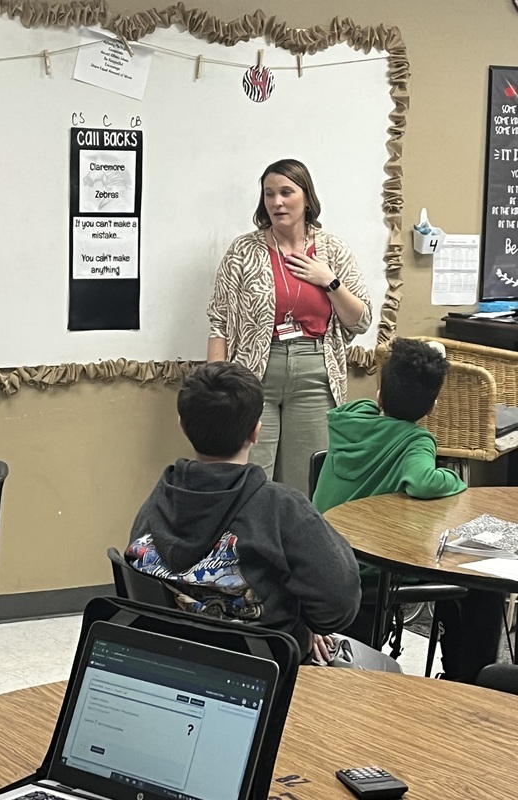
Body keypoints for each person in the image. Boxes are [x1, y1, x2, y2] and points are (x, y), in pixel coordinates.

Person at [125, 361, 361, 663]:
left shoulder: (159, 499)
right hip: (263, 670)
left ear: (182, 426)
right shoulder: (283, 507)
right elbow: (340, 601)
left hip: (169, 662)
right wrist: (309, 625)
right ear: (256, 431)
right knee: (382, 668)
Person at [314, 337, 504, 683]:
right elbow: (422, 481)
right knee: (479, 582)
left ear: (379, 396)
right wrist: (453, 479)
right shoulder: (416, 441)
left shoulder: (349, 419)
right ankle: (467, 682)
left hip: (326, 558)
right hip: (372, 569)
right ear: (432, 407)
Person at [207, 158, 372, 494]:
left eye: (286, 192)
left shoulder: (333, 250)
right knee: (248, 481)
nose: (277, 202)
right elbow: (219, 322)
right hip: (254, 376)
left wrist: (329, 281)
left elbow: (361, 320)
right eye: (269, 194)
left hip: (314, 376)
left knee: (305, 484)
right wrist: (214, 388)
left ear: (307, 198)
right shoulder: (243, 251)